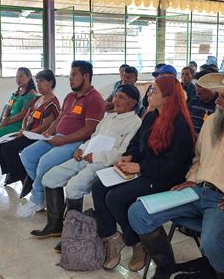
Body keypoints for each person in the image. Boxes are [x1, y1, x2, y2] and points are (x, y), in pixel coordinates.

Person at [128, 70, 224, 279]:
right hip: (197, 191)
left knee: (211, 243)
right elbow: (199, 158)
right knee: (138, 212)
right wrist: (191, 179)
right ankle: (166, 266)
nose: (217, 100)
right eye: (219, 94)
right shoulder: (212, 122)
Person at [92, 76, 195, 272]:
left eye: (154, 91)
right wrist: (129, 156)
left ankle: (136, 243)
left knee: (115, 198)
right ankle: (113, 237)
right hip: (145, 170)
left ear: (167, 97)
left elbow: (173, 164)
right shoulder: (151, 116)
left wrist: (140, 168)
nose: (149, 94)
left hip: (165, 178)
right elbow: (137, 143)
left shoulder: (180, 124)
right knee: (98, 186)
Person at [32, 85, 142, 245]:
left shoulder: (135, 123)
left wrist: (96, 156)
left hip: (105, 163)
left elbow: (123, 152)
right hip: (86, 156)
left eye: (121, 97)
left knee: (73, 187)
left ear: (132, 102)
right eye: (115, 96)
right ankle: (55, 226)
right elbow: (94, 137)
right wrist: (81, 148)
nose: (115, 100)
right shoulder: (109, 117)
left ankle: (72, 235)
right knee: (50, 177)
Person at [19, 61, 105, 215]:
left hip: (76, 142)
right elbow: (60, 116)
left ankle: (36, 200)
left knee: (44, 162)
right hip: (56, 137)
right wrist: (50, 131)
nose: (70, 79)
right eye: (69, 75)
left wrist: (63, 140)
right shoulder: (70, 96)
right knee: (27, 155)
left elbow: (90, 130)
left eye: (74, 75)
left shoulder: (94, 99)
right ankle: (46, 194)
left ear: (86, 76)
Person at [0, 70, 60, 187]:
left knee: (8, 148)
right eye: (37, 81)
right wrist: (23, 128)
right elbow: (26, 115)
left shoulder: (52, 103)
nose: (38, 84)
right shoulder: (37, 98)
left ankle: (23, 175)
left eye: (42, 82)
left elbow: (45, 126)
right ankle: (12, 173)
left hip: (38, 136)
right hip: (27, 132)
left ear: (50, 83)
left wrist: (27, 133)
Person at [187, 68, 218, 134]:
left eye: (200, 86)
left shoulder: (219, 105)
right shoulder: (193, 101)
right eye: (196, 86)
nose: (196, 90)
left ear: (211, 86)